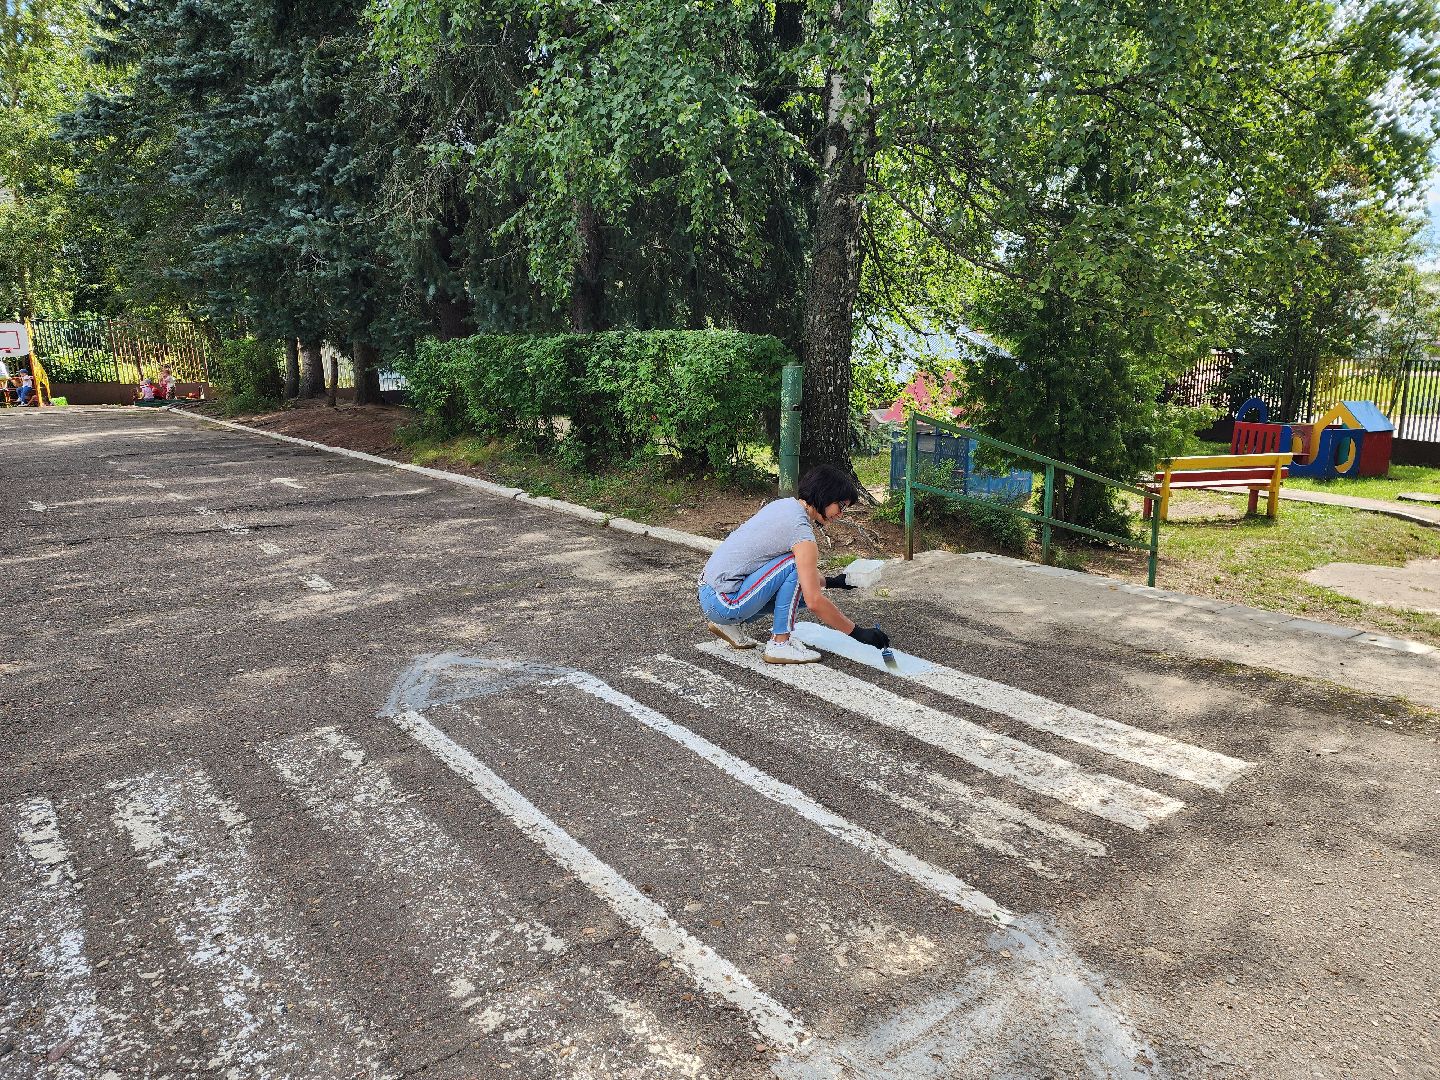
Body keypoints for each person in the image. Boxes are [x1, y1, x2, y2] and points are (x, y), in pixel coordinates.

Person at [698, 464, 891, 665]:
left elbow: (780, 574)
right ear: (825, 494)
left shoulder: (784, 506)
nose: (841, 513)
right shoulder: (801, 532)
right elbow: (814, 599)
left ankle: (731, 625)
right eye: (841, 506)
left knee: (802, 590)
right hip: (723, 602)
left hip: (712, 594)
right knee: (798, 573)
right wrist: (858, 633)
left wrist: (834, 582)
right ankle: (780, 643)